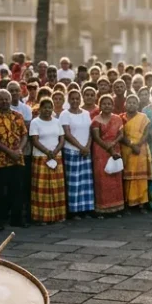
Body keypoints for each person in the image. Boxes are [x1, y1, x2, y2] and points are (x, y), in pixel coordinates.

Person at [0, 89, 28, 230]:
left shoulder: (18, 116)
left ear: (11, 100)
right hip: (1, 159)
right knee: (0, 192)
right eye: (1, 99)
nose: (4, 101)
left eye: (7, 99)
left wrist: (19, 150)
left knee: (17, 189)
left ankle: (17, 218)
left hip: (17, 158)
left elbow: (24, 135)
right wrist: (9, 151)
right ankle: (0, 220)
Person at [29, 99, 67, 224]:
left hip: (56, 158)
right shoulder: (35, 122)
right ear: (40, 108)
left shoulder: (57, 122)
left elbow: (62, 139)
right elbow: (35, 140)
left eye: (50, 107)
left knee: (57, 188)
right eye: (44, 107)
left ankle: (58, 215)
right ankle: (42, 217)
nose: (47, 110)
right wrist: (47, 152)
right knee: (42, 189)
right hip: (41, 158)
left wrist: (55, 151)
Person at [60, 90, 95, 218]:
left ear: (80, 99)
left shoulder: (86, 113)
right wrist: (80, 147)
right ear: (68, 100)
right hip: (72, 151)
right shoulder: (65, 114)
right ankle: (74, 211)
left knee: (85, 182)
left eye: (77, 98)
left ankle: (86, 209)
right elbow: (67, 134)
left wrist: (87, 147)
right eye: (72, 99)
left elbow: (91, 131)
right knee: (74, 182)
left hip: (86, 151)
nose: (75, 101)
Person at [91, 95, 126, 216]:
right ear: (100, 105)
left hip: (115, 149)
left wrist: (113, 143)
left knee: (115, 178)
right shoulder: (96, 120)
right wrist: (107, 146)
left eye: (109, 104)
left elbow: (121, 134)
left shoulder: (117, 119)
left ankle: (117, 208)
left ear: (112, 106)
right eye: (104, 103)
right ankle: (102, 209)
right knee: (102, 179)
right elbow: (96, 137)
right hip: (100, 151)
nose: (107, 106)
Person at [121, 95, 152, 211]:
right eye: (129, 102)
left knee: (141, 178)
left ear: (138, 105)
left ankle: (141, 204)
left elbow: (146, 133)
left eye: (134, 103)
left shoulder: (143, 117)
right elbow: (121, 135)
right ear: (125, 104)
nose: (131, 104)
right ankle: (129, 203)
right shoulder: (121, 118)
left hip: (140, 150)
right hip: (127, 150)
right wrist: (131, 145)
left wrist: (138, 145)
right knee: (129, 178)